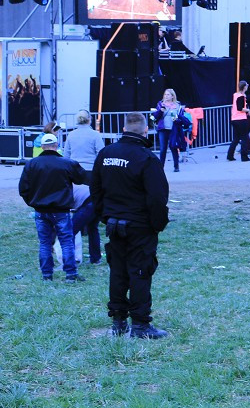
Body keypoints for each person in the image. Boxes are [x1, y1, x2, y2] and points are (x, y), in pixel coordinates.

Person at [90, 113, 170, 338]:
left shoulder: (106, 154)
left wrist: (105, 215)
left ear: (124, 128)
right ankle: (140, 324)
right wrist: (157, 224)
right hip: (139, 226)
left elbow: (95, 189)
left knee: (118, 272)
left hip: (115, 224)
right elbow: (157, 197)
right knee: (140, 272)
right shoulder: (146, 158)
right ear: (145, 131)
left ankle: (118, 321)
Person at [19, 133, 86, 282]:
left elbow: (23, 189)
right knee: (66, 241)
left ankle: (47, 275)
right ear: (56, 146)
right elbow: (81, 178)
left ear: (42, 147)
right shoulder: (66, 163)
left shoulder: (32, 164)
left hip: (41, 210)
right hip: (61, 210)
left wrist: (33, 202)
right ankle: (70, 274)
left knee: (45, 243)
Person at [151, 89, 190, 174]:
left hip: (174, 129)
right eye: (165, 95)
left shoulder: (177, 106)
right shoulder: (160, 104)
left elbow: (181, 119)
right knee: (162, 149)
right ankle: (161, 167)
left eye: (168, 95)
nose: (166, 96)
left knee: (173, 147)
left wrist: (176, 119)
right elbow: (155, 117)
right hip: (163, 129)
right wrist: (160, 110)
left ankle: (176, 166)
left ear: (172, 96)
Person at [227, 80, 250, 163]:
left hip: (234, 118)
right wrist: (248, 110)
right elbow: (240, 108)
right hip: (241, 119)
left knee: (236, 138)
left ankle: (230, 155)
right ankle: (244, 156)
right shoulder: (241, 96)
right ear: (244, 87)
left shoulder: (235, 95)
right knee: (244, 138)